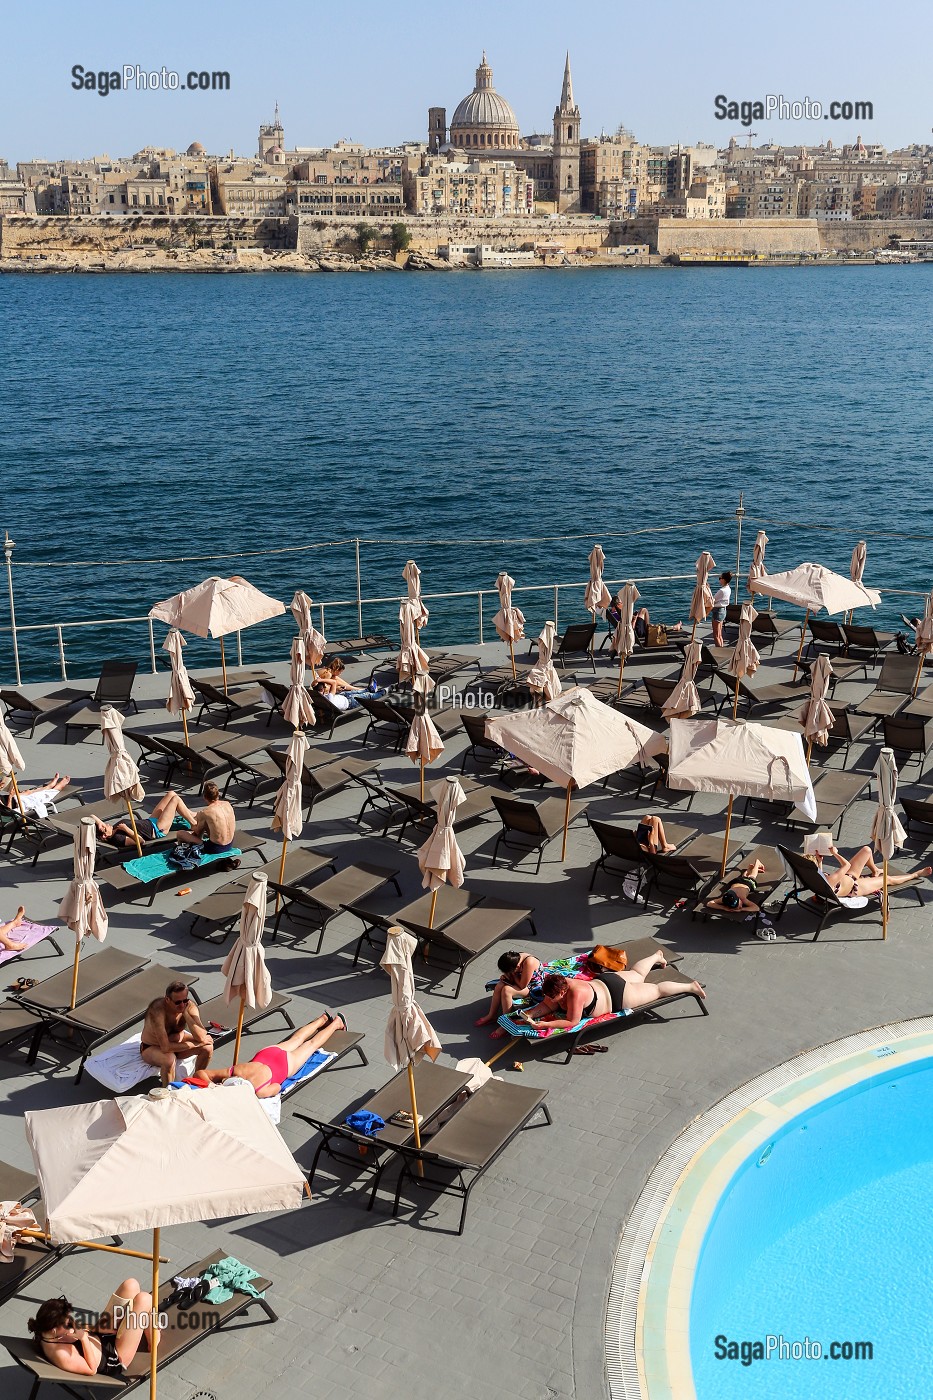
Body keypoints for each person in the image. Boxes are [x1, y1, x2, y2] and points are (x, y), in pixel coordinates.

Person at [519, 956, 705, 1029]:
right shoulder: (558, 983)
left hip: (618, 996)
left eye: (554, 996)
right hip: (605, 982)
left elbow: (572, 1021)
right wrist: (528, 1015)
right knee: (637, 974)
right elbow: (546, 1004)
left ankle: (690, 987)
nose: (550, 999)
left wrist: (541, 1026)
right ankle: (657, 955)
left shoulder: (575, 994)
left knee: (657, 990)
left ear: (563, 990)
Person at [191, 1012, 346, 1096]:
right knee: (297, 1039)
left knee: (311, 1045)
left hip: (285, 1064)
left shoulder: (259, 1091)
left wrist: (214, 1090)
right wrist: (212, 1086)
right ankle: (322, 1019)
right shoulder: (234, 1072)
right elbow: (200, 1073)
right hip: (267, 1053)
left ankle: (336, 1023)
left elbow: (278, 1087)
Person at [29, 1282, 159, 1378]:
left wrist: (95, 1328)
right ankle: (153, 1339)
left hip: (100, 1335)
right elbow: (91, 1369)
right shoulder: (61, 1355)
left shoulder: (48, 1329)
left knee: (130, 1285)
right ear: (54, 1330)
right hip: (113, 1355)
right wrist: (84, 1338)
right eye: (67, 1321)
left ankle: (142, 1319)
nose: (70, 1321)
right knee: (144, 1299)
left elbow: (80, 1327)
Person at [140, 981, 213, 1086]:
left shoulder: (189, 1006)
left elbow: (202, 1036)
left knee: (208, 1048)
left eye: (185, 1000)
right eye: (178, 1002)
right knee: (169, 1059)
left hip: (178, 1043)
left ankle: (196, 1082)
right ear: (167, 999)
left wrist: (186, 1014)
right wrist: (195, 1044)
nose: (182, 1005)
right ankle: (169, 1092)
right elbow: (165, 1047)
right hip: (153, 1047)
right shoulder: (157, 1010)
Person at [138, 781, 237, 855]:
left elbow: (198, 834)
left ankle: (182, 850)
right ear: (218, 795)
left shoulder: (206, 813)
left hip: (215, 848)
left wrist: (196, 827)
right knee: (172, 794)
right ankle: (191, 817)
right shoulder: (227, 804)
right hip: (229, 843)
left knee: (180, 834)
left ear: (204, 797)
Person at [809, 844, 931, 899]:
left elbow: (821, 873)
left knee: (867, 850)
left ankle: (875, 870)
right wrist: (835, 853)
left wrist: (820, 862)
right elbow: (846, 865)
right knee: (887, 879)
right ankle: (916, 874)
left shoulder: (814, 876)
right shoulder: (829, 880)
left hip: (848, 877)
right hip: (856, 887)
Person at [476, 951, 544, 1037]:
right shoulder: (514, 959)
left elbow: (522, 985)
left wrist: (513, 976)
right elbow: (511, 974)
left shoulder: (529, 962)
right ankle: (492, 1015)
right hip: (521, 981)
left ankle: (506, 1023)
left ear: (517, 967)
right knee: (499, 985)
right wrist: (506, 977)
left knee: (507, 990)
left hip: (534, 987)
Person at [4, 773, 71, 818]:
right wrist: (10, 796)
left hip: (15, 798)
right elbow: (8, 811)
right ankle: (54, 787)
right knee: (45, 795)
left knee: (28, 792)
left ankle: (49, 786)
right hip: (18, 804)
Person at [710, 571, 733, 648]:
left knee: (716, 635)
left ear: (723, 580)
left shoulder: (721, 591)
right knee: (720, 634)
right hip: (723, 611)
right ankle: (722, 649)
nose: (719, 579)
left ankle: (719, 651)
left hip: (717, 611)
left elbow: (713, 600)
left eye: (720, 578)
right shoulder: (728, 589)